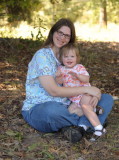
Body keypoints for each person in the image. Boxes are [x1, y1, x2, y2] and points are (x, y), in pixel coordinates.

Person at [21, 18, 114, 143]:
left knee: (106, 98)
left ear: (70, 39)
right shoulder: (42, 56)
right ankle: (92, 119)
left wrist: (95, 95)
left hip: (68, 104)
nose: (62, 37)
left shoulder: (66, 57)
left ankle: (79, 126)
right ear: (53, 32)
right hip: (40, 107)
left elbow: (80, 81)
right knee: (52, 111)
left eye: (67, 35)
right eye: (60, 32)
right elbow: (54, 91)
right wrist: (88, 90)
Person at [56, 43, 104, 117]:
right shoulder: (61, 69)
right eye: (66, 56)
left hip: (85, 94)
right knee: (70, 112)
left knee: (85, 104)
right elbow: (60, 82)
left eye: (72, 56)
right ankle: (93, 111)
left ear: (76, 58)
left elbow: (86, 79)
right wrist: (58, 77)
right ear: (61, 58)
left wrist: (78, 76)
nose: (69, 58)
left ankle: (89, 111)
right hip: (73, 98)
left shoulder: (79, 67)